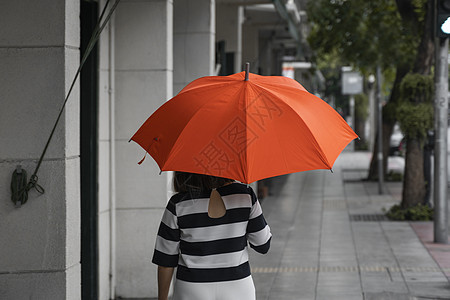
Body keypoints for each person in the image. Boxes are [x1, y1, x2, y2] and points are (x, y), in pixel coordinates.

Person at [152, 171, 272, 300]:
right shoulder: (244, 195)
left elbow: (165, 261)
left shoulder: (178, 203)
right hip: (238, 287)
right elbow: (262, 245)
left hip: (192, 288)